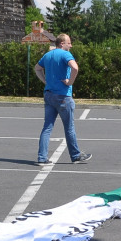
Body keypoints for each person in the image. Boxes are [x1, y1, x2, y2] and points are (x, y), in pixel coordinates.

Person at [34, 33, 92, 165]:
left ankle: (42, 158)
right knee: (69, 127)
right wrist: (70, 82)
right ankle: (76, 155)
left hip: (49, 95)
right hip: (63, 96)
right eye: (69, 43)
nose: (71, 45)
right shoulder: (65, 55)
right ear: (62, 43)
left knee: (47, 127)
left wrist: (46, 81)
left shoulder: (48, 55)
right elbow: (75, 67)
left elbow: (37, 68)